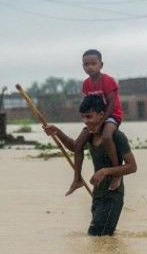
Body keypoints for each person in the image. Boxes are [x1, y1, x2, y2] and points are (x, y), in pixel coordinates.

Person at [43, 95, 137, 236]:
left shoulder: (115, 136)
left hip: (112, 195)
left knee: (98, 236)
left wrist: (105, 171)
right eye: (83, 117)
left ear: (101, 115)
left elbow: (132, 167)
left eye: (89, 117)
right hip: (97, 194)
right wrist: (58, 132)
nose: (85, 121)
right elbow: (75, 147)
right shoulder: (88, 133)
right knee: (100, 237)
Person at [67, 49, 124, 196]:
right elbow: (87, 105)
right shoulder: (86, 84)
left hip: (112, 116)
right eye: (86, 64)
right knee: (78, 145)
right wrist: (91, 123)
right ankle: (77, 179)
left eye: (93, 63)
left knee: (106, 136)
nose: (90, 67)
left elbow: (111, 104)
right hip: (95, 119)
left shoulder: (108, 81)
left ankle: (117, 172)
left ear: (101, 64)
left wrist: (101, 123)